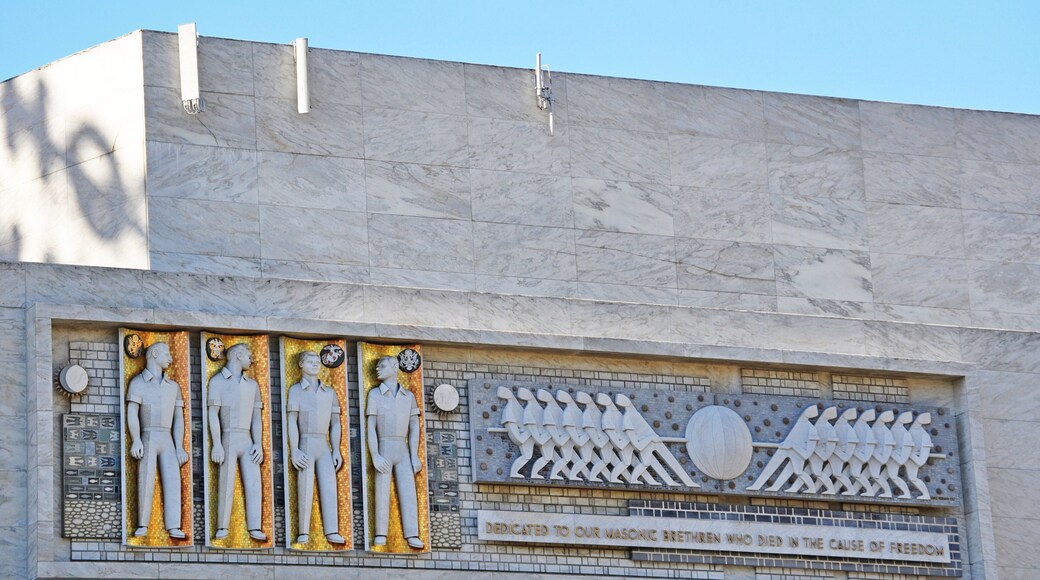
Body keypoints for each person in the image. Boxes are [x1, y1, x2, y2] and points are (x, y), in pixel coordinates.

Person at [126, 342, 188, 539]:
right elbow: (132, 413)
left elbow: (179, 418)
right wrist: (136, 439)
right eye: (166, 354)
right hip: (148, 435)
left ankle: (174, 525)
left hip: (167, 437)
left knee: (173, 480)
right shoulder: (138, 383)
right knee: (145, 479)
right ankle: (143, 524)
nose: (170, 358)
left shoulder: (173, 387)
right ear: (154, 354)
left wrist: (180, 447)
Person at [208, 343, 266, 541]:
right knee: (226, 482)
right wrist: (216, 443)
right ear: (238, 355)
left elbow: (257, 417)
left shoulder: (252, 385)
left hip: (247, 438)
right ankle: (222, 526)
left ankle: (255, 527)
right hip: (228, 436)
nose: (252, 359)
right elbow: (212, 414)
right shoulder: (218, 381)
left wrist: (258, 443)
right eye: (249, 354)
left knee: (254, 483)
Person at [286, 351, 345, 545]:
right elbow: (291, 421)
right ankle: (303, 531)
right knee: (305, 486)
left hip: (323, 444)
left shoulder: (329, 393)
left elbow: (336, 423)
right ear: (301, 364)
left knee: (329, 486)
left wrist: (336, 449)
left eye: (317, 361)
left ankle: (332, 531)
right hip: (306, 442)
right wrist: (294, 449)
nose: (314, 364)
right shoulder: (295, 390)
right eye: (310, 361)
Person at [366, 356, 424, 549]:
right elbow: (371, 427)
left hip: (402, 448)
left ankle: (412, 534)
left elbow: (415, 427)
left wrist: (414, 454)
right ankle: (380, 533)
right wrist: (375, 454)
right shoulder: (374, 394)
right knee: (382, 490)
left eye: (382, 365)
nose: (377, 369)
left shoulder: (408, 396)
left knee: (408, 491)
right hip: (383, 445)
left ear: (394, 367)